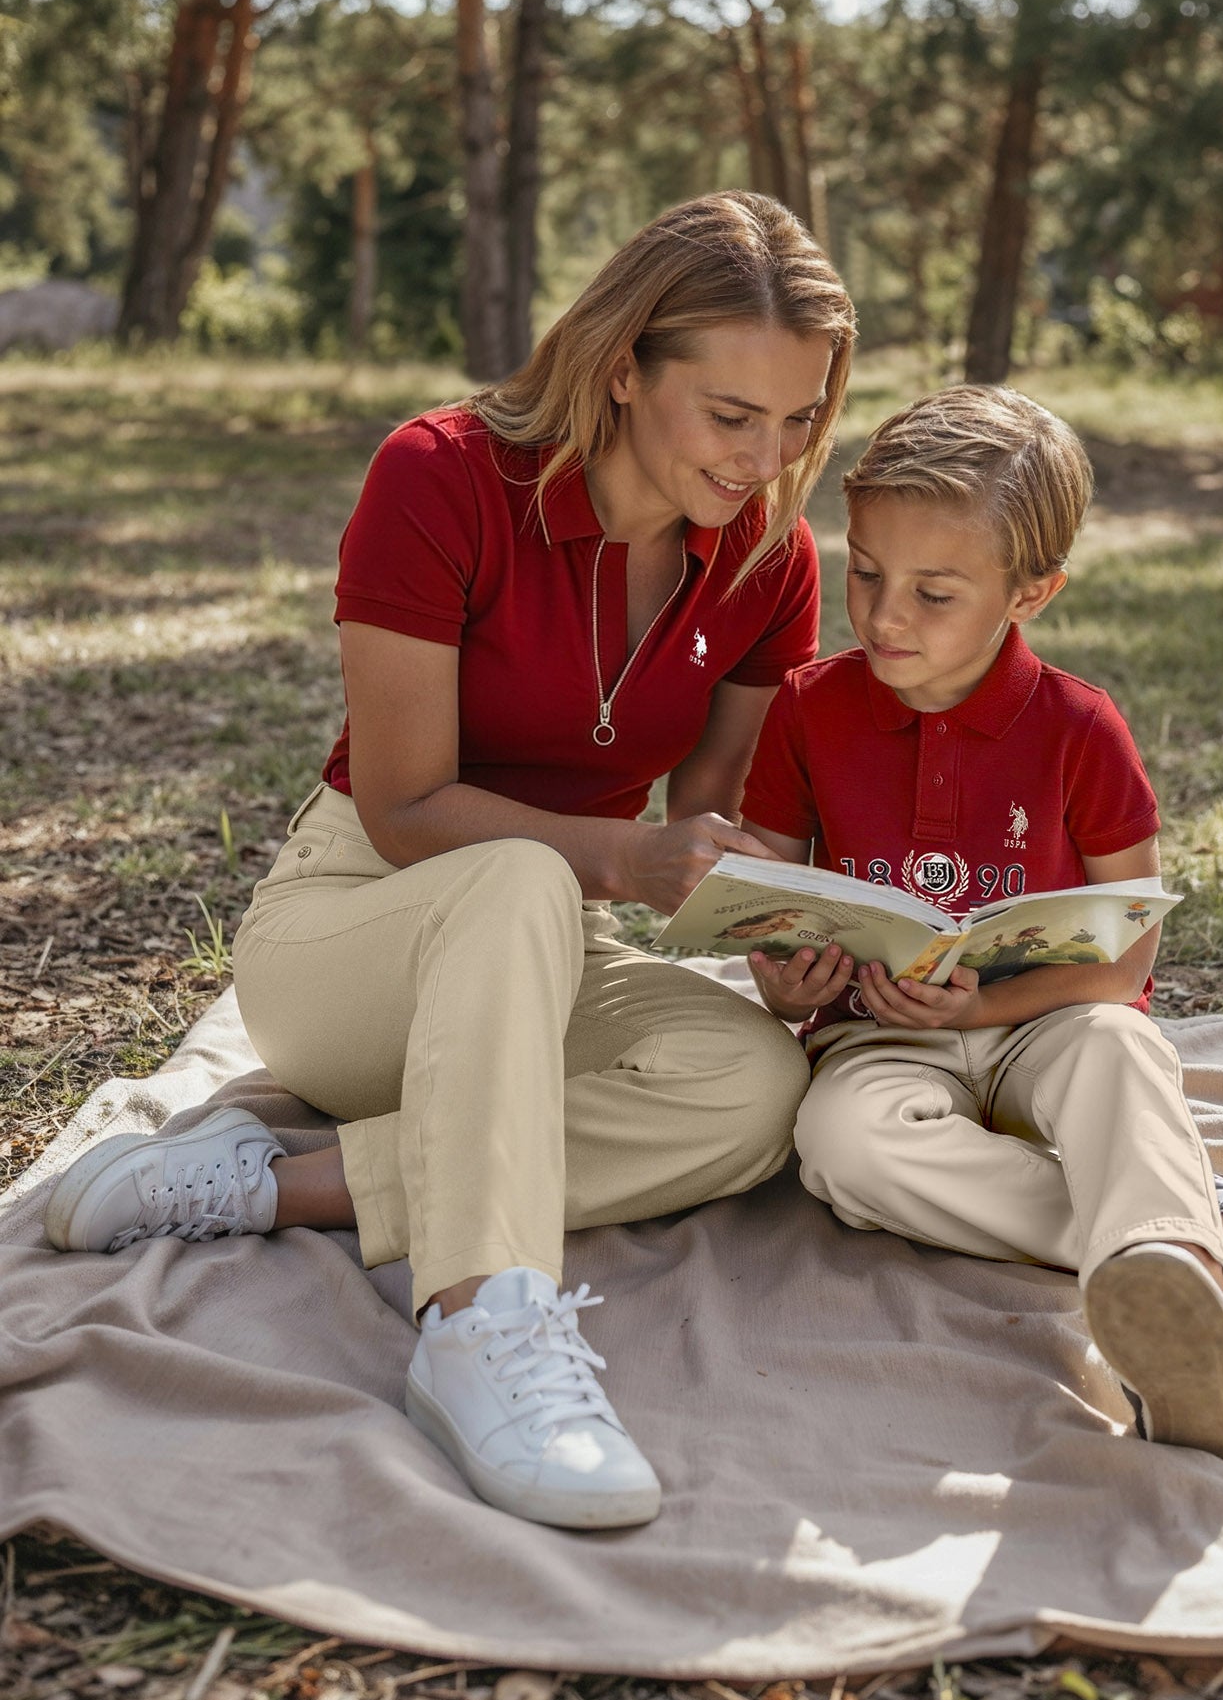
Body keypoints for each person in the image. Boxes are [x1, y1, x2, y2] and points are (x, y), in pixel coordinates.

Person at [43, 190, 856, 1530]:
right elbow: (412, 805)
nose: (765, 457)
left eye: (798, 419)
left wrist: (793, 924)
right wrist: (628, 858)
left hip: (556, 934)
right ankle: (482, 1326)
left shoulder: (769, 558)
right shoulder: (440, 475)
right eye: (730, 415)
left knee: (748, 1090)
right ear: (621, 370)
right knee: (522, 877)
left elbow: (712, 825)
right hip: (355, 925)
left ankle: (266, 1186)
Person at [736, 386, 1223, 1462]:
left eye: (935, 593)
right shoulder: (809, 706)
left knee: (1123, 1054)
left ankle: (1166, 1285)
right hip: (881, 1033)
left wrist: (990, 1000)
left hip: (1049, 1018)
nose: (885, 616)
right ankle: (1189, 1238)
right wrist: (784, 979)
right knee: (839, 1148)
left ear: (1031, 590)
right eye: (868, 574)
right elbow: (766, 897)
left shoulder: (1081, 727)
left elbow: (1127, 956)